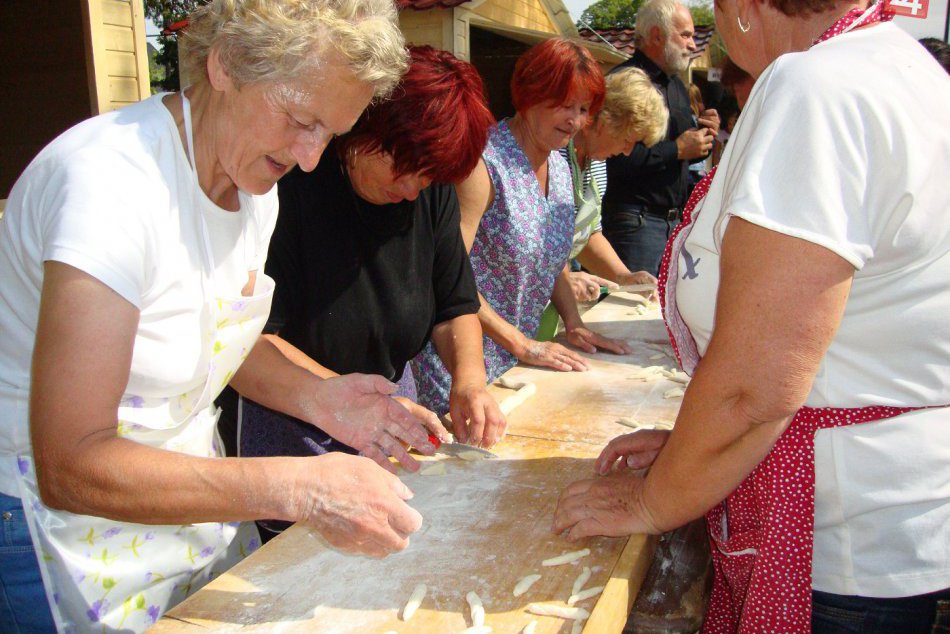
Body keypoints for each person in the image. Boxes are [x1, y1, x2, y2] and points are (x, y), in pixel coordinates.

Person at [0, 1, 430, 631]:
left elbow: (216, 333)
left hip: (182, 512)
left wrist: (324, 399)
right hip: (54, 531)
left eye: (330, 134)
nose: (311, 158)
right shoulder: (109, 188)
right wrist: (298, 487)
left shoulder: (251, 179)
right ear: (225, 65)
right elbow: (71, 465)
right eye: (301, 120)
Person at [554, 0, 950, 631]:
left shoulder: (817, 85)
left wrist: (655, 500)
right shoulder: (901, 67)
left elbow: (756, 385)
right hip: (880, 508)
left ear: (741, 8)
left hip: (832, 528)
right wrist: (694, 453)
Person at [234, 45, 505, 540]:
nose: (412, 189)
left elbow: (454, 303)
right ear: (364, 129)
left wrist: (469, 381)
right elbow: (250, 341)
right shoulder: (292, 186)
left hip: (388, 408)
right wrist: (348, 403)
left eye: (428, 178)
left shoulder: (429, 190)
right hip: (291, 412)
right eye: (403, 167)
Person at [412, 38, 632, 415]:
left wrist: (573, 321)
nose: (574, 121)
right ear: (529, 95)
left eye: (583, 109)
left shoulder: (561, 166)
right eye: (564, 105)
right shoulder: (483, 163)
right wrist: (521, 343)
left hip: (515, 369)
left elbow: (551, 260)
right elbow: (446, 276)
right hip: (456, 372)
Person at [601, 0, 720, 275]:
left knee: (661, 313)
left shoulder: (677, 86)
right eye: (686, 35)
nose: (693, 45)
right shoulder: (623, 82)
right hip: (635, 221)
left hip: (672, 222)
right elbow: (614, 157)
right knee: (633, 311)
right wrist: (676, 150)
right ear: (657, 35)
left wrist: (703, 138)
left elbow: (683, 152)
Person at [560, 67, 669, 302]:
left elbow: (587, 234)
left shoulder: (597, 163)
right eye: (627, 140)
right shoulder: (554, 153)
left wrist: (624, 276)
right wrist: (561, 280)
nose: (627, 152)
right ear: (606, 122)